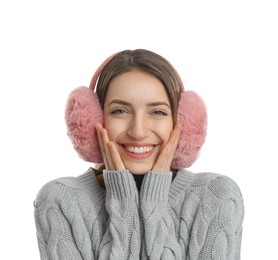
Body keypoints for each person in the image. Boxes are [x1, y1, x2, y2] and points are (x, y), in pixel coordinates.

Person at [34, 49, 244, 259]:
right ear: (94, 120)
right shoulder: (60, 201)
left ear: (182, 123)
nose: (138, 131)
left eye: (158, 112)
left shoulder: (217, 197)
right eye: (120, 111)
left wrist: (153, 202)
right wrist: (123, 201)